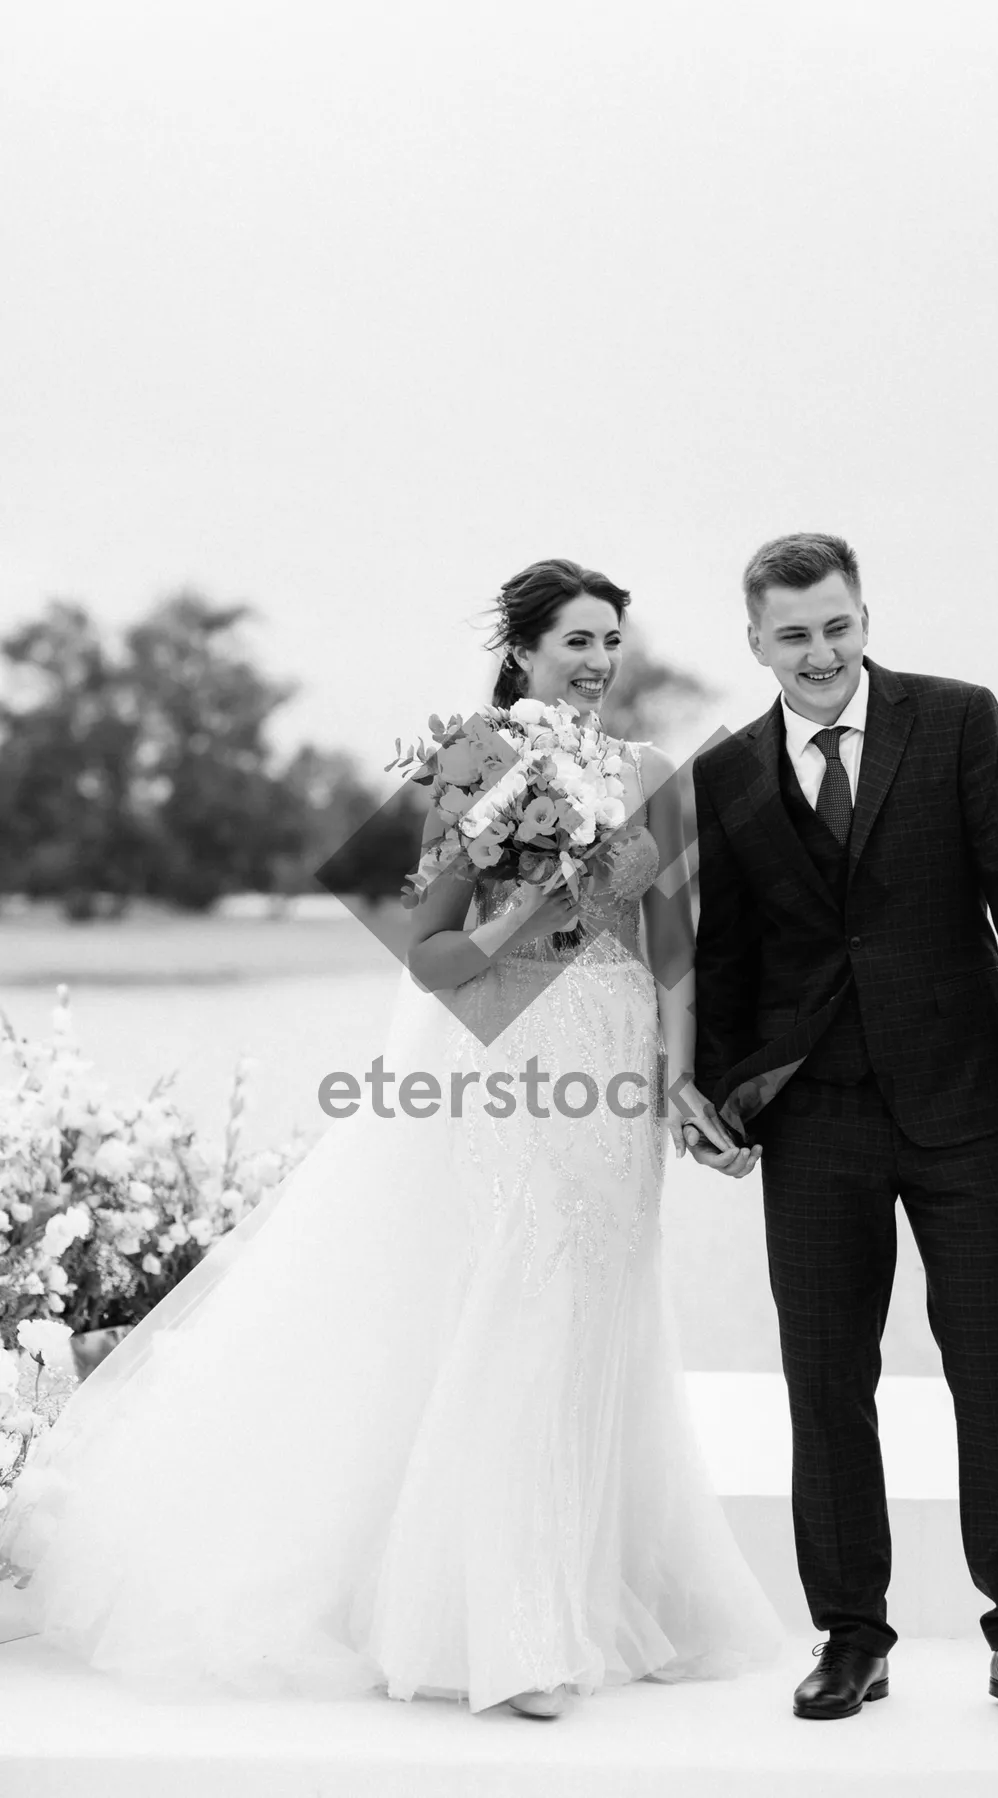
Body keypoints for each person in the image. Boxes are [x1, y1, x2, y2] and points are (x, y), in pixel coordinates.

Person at [0, 557, 783, 1720]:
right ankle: (506, 1630)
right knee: (519, 1296)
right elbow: (431, 952)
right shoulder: (476, 761)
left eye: (611, 640)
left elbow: (677, 944)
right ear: (520, 650)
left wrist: (676, 1079)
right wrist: (532, 895)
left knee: (607, 1305)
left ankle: (593, 1589)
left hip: (617, 1066)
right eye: (576, 639)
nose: (598, 661)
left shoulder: (659, 774)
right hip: (507, 1057)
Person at [685, 532, 998, 1723]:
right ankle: (852, 1636)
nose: (821, 653)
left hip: (965, 1105)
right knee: (825, 1381)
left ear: (864, 618)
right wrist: (718, 1090)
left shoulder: (957, 719)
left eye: (837, 626)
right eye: (794, 634)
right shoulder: (729, 776)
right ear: (755, 641)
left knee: (991, 1369)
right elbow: (731, 952)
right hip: (814, 1120)